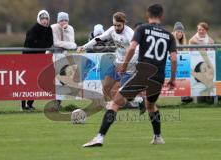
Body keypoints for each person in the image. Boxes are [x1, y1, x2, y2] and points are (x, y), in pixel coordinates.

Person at [82, 4, 177, 147]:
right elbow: (174, 59)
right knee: (151, 106)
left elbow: (132, 48)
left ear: (147, 14)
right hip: (158, 76)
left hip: (143, 73)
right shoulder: (169, 35)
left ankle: (99, 137)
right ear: (162, 16)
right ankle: (158, 137)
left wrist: (125, 65)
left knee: (114, 103)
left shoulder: (141, 29)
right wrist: (173, 79)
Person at [77, 12, 140, 107]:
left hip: (129, 67)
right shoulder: (112, 30)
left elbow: (136, 51)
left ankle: (137, 101)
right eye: (114, 25)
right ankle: (110, 107)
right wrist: (84, 46)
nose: (116, 28)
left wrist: (126, 65)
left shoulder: (130, 34)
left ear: (124, 23)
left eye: (119, 25)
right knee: (105, 87)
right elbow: (99, 38)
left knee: (123, 94)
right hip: (117, 63)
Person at [21, 10, 53, 111]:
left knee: (36, 81)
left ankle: (30, 104)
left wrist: (41, 45)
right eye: (42, 18)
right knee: (26, 81)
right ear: (39, 19)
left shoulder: (49, 29)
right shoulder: (33, 29)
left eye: (46, 18)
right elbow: (30, 43)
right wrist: (41, 45)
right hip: (28, 59)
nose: (44, 21)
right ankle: (23, 105)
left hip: (40, 59)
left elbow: (49, 42)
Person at [51, 12, 77, 108]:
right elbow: (56, 43)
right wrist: (70, 45)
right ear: (58, 21)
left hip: (64, 56)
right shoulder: (53, 28)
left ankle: (57, 102)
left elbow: (72, 41)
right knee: (56, 80)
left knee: (63, 78)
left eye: (66, 20)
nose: (64, 22)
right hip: (52, 56)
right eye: (61, 20)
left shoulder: (70, 28)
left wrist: (65, 31)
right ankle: (56, 102)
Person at [172, 22, 192, 103]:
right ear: (175, 32)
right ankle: (184, 96)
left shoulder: (183, 43)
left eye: (181, 32)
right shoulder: (171, 40)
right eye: (178, 31)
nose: (180, 33)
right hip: (172, 64)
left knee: (185, 75)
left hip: (181, 64)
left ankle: (185, 96)